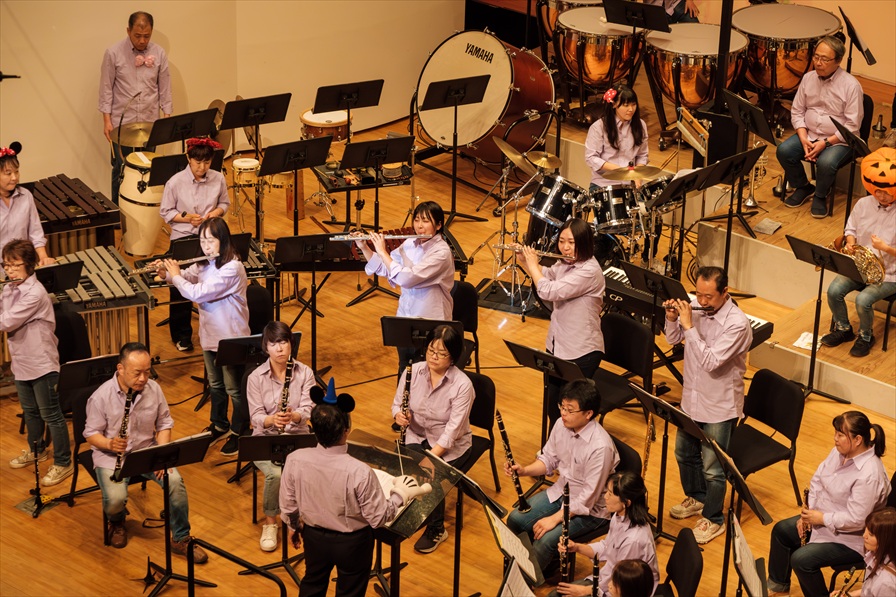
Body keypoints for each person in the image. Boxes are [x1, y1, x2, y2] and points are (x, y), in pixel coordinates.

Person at [280, 396, 430, 597]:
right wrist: (400, 495)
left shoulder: (295, 459)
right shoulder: (359, 471)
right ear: (346, 430)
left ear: (313, 427)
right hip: (352, 544)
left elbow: (289, 505)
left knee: (312, 585)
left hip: (314, 538)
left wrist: (293, 526)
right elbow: (378, 518)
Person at [83, 342, 208, 562]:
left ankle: (180, 537)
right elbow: (90, 433)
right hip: (112, 456)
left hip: (147, 451)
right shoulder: (101, 397)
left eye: (147, 372)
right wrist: (110, 444)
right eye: (137, 373)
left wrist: (161, 454)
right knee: (115, 499)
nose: (143, 378)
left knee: (175, 483)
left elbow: (164, 423)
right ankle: (117, 521)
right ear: (120, 369)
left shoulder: (154, 389)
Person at [662, 266, 752, 545]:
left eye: (708, 297)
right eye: (698, 294)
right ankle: (698, 498)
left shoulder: (737, 324)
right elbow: (672, 339)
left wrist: (688, 326)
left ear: (725, 292)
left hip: (719, 405)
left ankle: (714, 518)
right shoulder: (695, 307)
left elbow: (710, 361)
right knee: (684, 454)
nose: (701, 301)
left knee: (713, 468)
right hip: (692, 397)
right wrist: (672, 318)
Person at [766, 411, 889, 597]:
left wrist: (821, 518)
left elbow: (857, 520)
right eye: (835, 433)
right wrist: (808, 513)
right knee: (781, 531)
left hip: (854, 539)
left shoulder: (869, 475)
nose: (835, 439)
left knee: (802, 560)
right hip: (823, 518)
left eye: (840, 434)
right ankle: (779, 589)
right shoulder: (839, 452)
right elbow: (817, 480)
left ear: (857, 440)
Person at [506, 379, 619, 580]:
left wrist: (554, 519)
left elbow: (588, 499)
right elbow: (549, 459)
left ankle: (526, 580)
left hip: (591, 511)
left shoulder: (600, 448)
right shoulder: (561, 424)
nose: (563, 413)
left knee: (545, 540)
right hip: (562, 492)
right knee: (515, 520)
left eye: (570, 410)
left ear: (588, 414)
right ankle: (540, 564)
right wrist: (524, 470)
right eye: (562, 407)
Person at [158, 217, 249, 456]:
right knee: (216, 385)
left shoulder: (232, 268)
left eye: (211, 241)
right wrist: (166, 273)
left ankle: (240, 431)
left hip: (230, 337)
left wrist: (175, 275)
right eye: (202, 241)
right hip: (210, 335)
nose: (206, 246)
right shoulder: (204, 263)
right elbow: (187, 277)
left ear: (223, 240)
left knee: (234, 389)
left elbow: (198, 293)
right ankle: (219, 425)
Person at [391, 324, 473, 554]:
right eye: (430, 350)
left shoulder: (462, 385)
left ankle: (437, 528)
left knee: (429, 473)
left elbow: (452, 432)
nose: (433, 357)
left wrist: (428, 459)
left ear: (453, 357)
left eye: (441, 353)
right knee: (400, 462)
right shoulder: (413, 371)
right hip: (416, 434)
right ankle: (410, 509)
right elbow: (396, 404)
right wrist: (398, 415)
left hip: (450, 446)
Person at [517, 218, 605, 428]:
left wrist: (532, 264)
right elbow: (547, 275)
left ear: (584, 242)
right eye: (562, 241)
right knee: (553, 409)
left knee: (572, 414)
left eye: (571, 243)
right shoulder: (565, 263)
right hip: (558, 345)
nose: (565, 247)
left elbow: (549, 291)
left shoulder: (589, 271)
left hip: (581, 351)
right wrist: (524, 261)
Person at [1, 240, 72, 487]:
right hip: (21, 360)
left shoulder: (35, 293)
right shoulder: (9, 289)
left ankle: (63, 462)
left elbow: (6, 321)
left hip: (41, 361)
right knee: (30, 411)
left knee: (51, 414)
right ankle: (37, 450)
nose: (9, 270)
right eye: (6, 265)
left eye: (14, 265)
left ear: (29, 264)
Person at [354, 201, 454, 374]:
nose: (419, 226)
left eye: (425, 221)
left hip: (430, 322)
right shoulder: (409, 243)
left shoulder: (441, 253)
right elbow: (386, 267)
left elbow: (406, 278)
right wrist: (364, 247)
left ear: (438, 225)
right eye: (416, 220)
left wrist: (382, 251)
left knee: (425, 374)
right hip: (405, 318)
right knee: (404, 369)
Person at [246, 321, 315, 552]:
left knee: (310, 467)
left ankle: (304, 517)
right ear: (265, 347)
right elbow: (255, 415)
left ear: (291, 344)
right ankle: (270, 522)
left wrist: (294, 416)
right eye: (273, 343)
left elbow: (308, 409)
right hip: (265, 438)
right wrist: (272, 420)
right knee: (275, 474)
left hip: (297, 436)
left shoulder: (305, 372)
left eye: (283, 342)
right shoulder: (255, 377)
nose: (279, 348)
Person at [820, 150, 896, 358]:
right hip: (861, 266)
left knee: (863, 300)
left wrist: (886, 248)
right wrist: (851, 243)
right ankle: (844, 329)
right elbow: (850, 229)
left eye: (886, 192)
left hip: (889, 274)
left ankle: (865, 336)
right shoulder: (863, 204)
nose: (881, 196)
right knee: (834, 291)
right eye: (877, 191)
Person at [776, 35, 863, 219]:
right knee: (784, 151)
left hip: (840, 141)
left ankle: (820, 195)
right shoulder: (808, 78)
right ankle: (803, 186)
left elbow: (852, 125)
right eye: (816, 56)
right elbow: (797, 111)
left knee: (826, 162)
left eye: (824, 59)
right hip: (810, 134)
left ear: (838, 61)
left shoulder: (851, 86)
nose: (818, 62)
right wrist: (803, 138)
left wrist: (825, 143)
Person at [158, 137, 230, 352]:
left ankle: (221, 331)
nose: (202, 167)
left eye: (207, 162)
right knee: (178, 281)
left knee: (218, 279)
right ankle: (181, 335)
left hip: (211, 237)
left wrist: (214, 213)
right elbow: (166, 212)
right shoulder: (175, 182)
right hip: (184, 237)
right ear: (188, 158)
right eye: (198, 162)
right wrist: (188, 219)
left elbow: (224, 203)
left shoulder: (218, 178)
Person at [98, 11, 172, 203]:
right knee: (121, 169)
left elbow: (165, 88)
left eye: (146, 36)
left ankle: (145, 208)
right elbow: (106, 88)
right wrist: (106, 120)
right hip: (121, 123)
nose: (142, 41)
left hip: (150, 122)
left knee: (148, 167)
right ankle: (118, 211)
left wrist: (167, 117)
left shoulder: (159, 53)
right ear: (128, 31)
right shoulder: (113, 53)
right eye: (137, 36)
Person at [551, 471, 659, 597]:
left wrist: (585, 591)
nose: (605, 497)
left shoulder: (634, 540)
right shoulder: (619, 516)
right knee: (555, 595)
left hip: (621, 590)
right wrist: (577, 547)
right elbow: (606, 547)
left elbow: (621, 582)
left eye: (610, 494)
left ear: (626, 503)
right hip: (608, 581)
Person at [0, 146, 54, 278]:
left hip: (24, 270)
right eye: (8, 173)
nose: (14, 177)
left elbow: (35, 232)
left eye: (16, 172)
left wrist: (43, 257)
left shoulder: (26, 196)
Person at [585, 84, 649, 191]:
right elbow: (591, 158)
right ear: (614, 104)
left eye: (633, 105)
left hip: (629, 185)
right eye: (626, 105)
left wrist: (637, 176)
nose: (631, 109)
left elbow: (642, 155)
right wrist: (621, 170)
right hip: (603, 185)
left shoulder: (640, 125)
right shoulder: (598, 127)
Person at [851, 507, 896, 596]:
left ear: (887, 540)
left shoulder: (886, 583)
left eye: (871, 534)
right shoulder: (876, 556)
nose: (864, 536)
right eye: (866, 529)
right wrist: (851, 594)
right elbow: (871, 588)